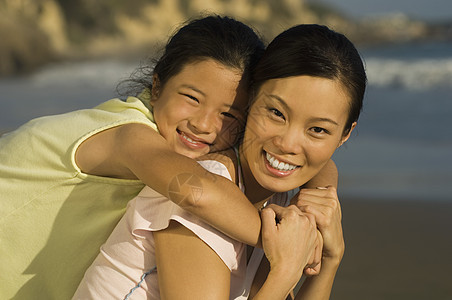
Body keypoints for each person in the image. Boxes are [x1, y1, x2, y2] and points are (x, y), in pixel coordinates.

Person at [74, 24, 366, 299]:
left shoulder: (274, 196)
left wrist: (328, 260)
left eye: (318, 130)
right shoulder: (204, 199)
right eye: (276, 113)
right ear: (251, 100)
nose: (287, 145)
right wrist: (286, 270)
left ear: (344, 135)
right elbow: (197, 194)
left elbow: (326, 167)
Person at [0, 15, 270, 299]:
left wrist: (318, 180)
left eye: (228, 114)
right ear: (156, 88)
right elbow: (193, 191)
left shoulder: (175, 143)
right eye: (192, 98)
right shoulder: (129, 135)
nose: (204, 124)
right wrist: (286, 240)